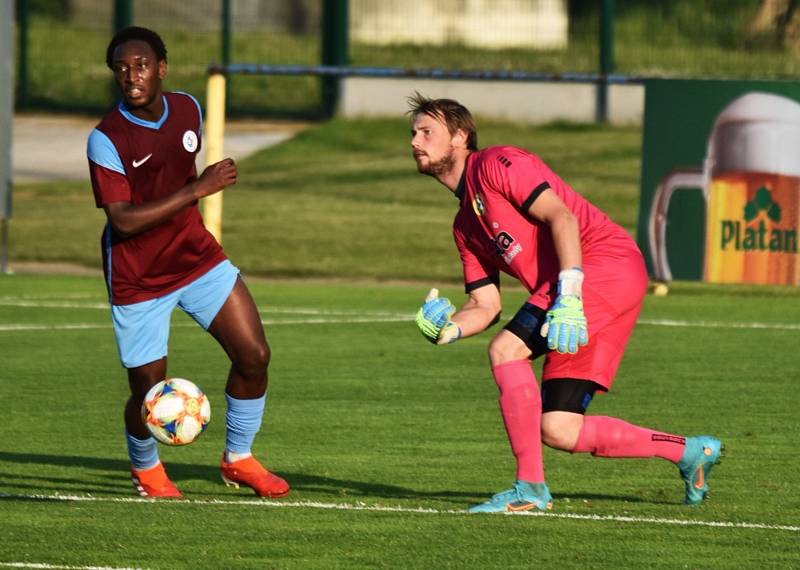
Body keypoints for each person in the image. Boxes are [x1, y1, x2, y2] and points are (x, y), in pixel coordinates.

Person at [408, 93, 722, 513]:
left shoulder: (497, 163)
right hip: (579, 290)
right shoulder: (465, 225)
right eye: (413, 133)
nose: (415, 141)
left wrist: (570, 295)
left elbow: (563, 217)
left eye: (427, 131)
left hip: (602, 265)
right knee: (559, 429)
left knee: (506, 350)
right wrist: (450, 328)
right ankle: (689, 452)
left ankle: (530, 490)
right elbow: (485, 304)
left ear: (461, 136)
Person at [86, 26, 289, 499]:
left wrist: (191, 191)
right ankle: (147, 469)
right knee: (148, 394)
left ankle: (239, 458)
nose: (130, 76)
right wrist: (197, 189)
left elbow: (175, 171)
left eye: (140, 65)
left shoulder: (188, 109)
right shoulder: (106, 139)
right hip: (139, 278)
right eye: (120, 68)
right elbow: (125, 220)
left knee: (254, 355)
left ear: (161, 68)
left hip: (197, 259)